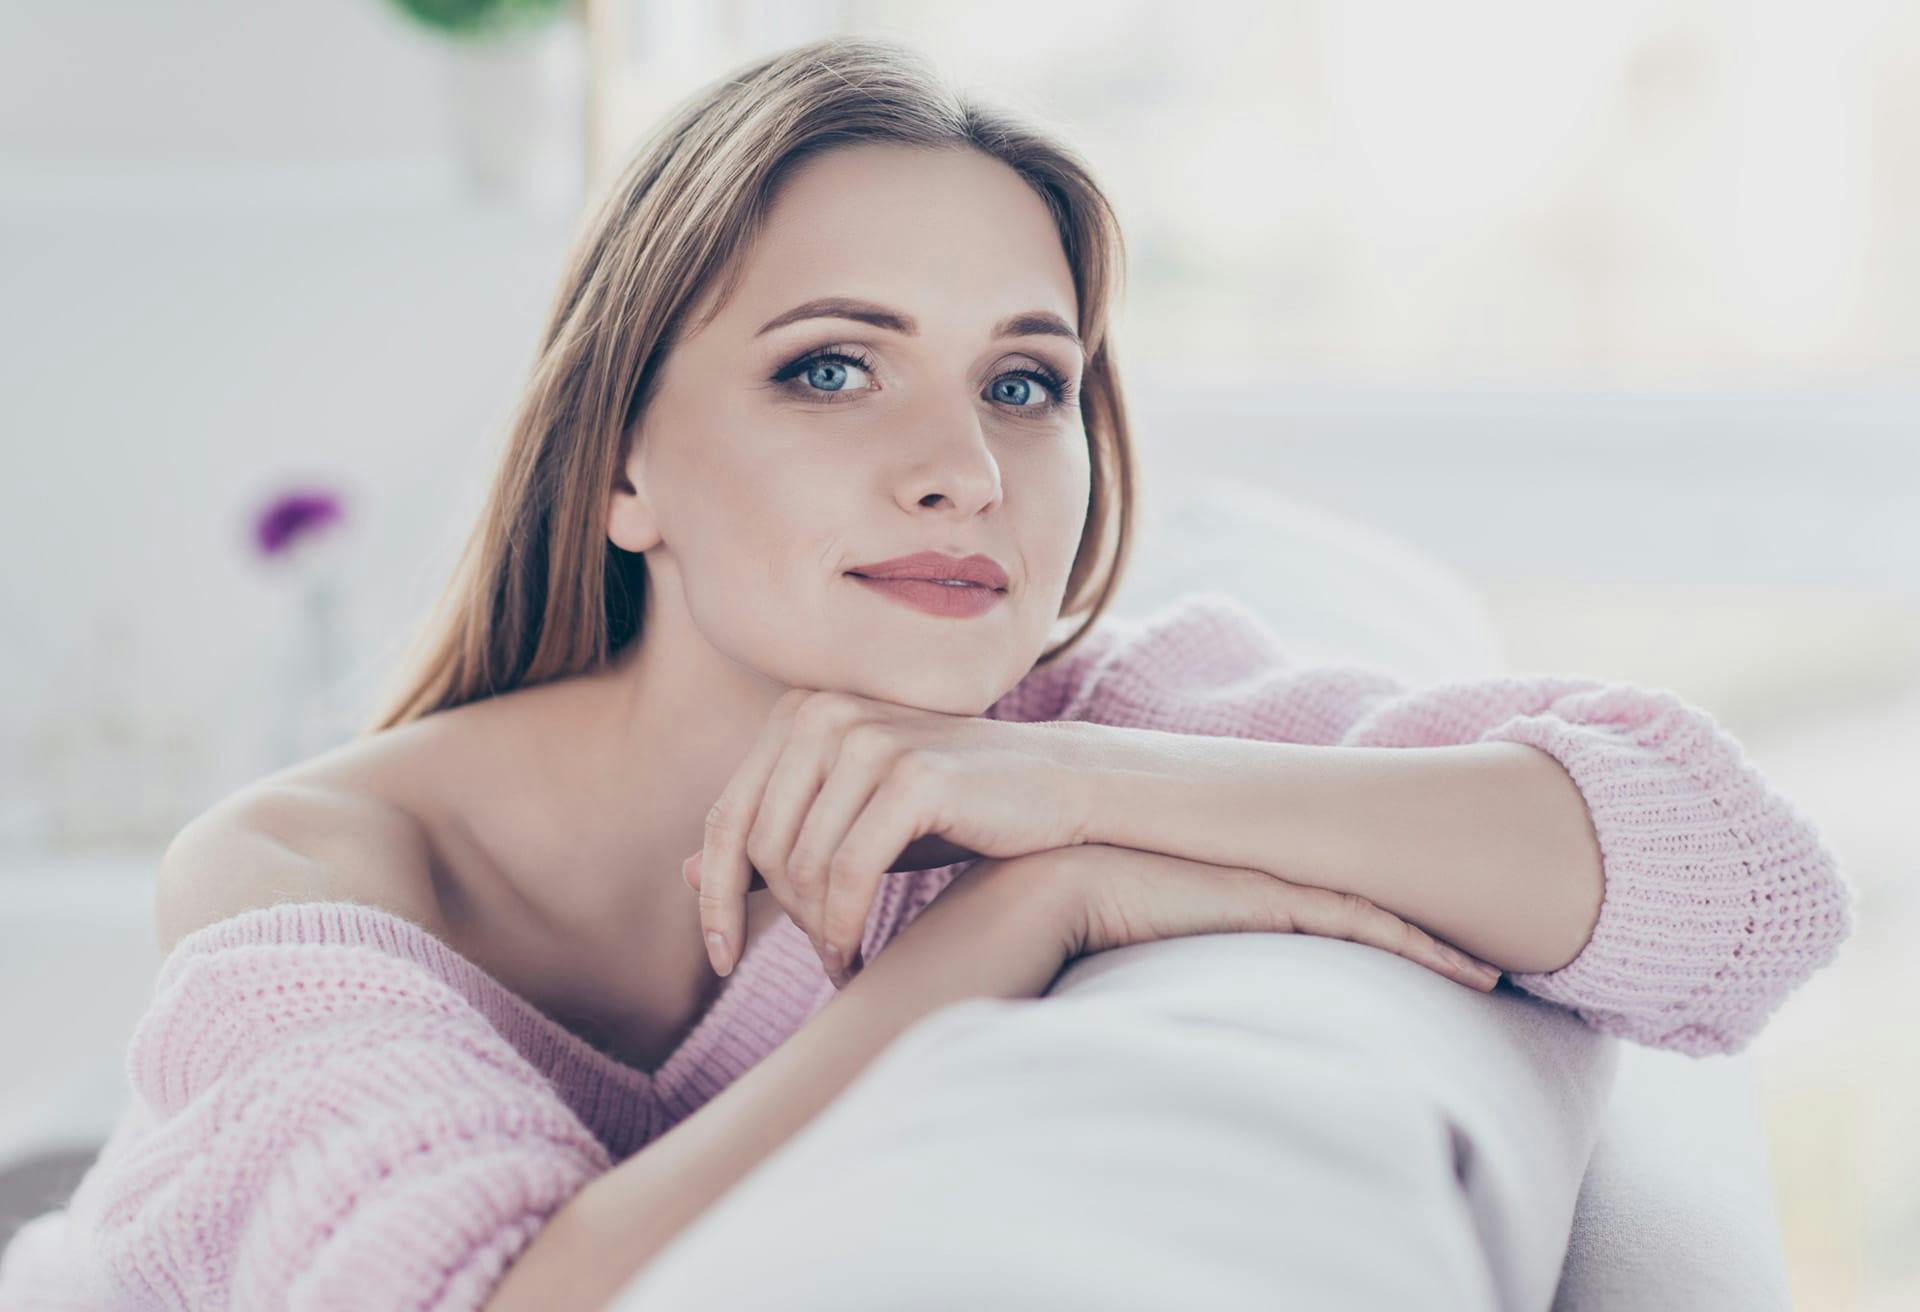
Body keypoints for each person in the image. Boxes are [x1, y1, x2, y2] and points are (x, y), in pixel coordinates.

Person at [0, 34, 1854, 1312]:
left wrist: (1078, 794)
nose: (962, 463)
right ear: (623, 462)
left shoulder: (1049, 729)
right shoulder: (308, 869)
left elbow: (1744, 893)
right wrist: (1015, 927)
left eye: (1023, 380)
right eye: (831, 365)